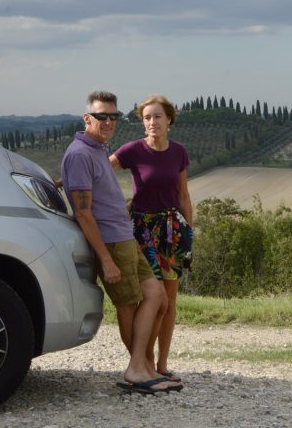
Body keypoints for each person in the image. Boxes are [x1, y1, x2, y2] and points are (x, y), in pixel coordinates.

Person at [61, 91, 182, 394]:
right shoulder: (79, 154)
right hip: (113, 243)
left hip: (125, 237)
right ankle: (137, 369)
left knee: (158, 297)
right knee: (128, 306)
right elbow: (83, 212)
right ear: (86, 118)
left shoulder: (98, 149)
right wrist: (105, 258)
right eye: (101, 116)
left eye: (112, 116)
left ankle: (144, 366)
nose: (108, 122)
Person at [110, 94, 193, 383]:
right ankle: (142, 362)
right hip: (142, 231)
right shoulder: (133, 150)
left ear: (169, 119)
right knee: (152, 298)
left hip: (172, 230)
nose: (152, 122)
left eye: (157, 116)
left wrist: (189, 234)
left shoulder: (179, 152)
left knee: (169, 301)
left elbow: (183, 194)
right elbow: (100, 170)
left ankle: (161, 364)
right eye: (147, 117)